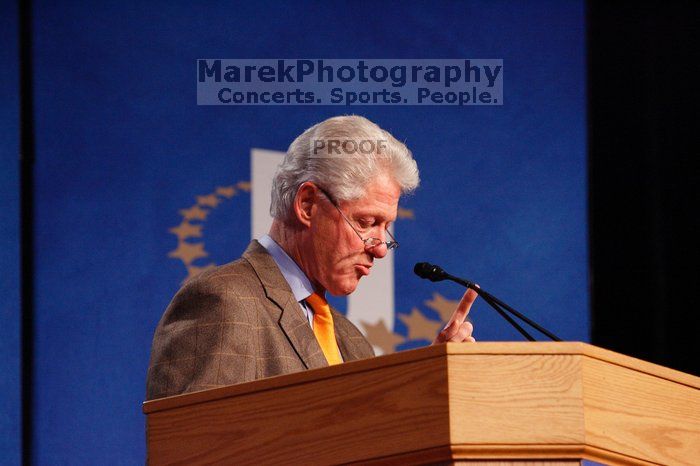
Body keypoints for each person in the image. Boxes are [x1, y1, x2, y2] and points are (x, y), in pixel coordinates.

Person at [146, 115, 476, 400]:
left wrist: (427, 386)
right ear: (307, 204)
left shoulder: (351, 342)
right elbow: (193, 448)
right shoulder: (225, 300)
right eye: (366, 222)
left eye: (386, 228)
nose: (379, 248)